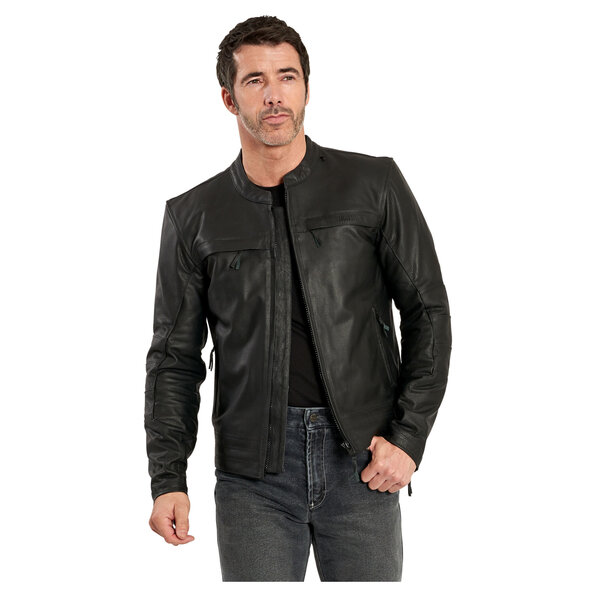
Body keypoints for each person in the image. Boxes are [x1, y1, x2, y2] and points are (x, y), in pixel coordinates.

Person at [145, 15, 452, 582]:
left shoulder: (374, 185)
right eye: (255, 80)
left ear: (306, 87)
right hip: (252, 475)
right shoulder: (194, 216)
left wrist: (408, 438)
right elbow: (174, 359)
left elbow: (428, 313)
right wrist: (168, 479)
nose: (274, 95)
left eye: (287, 77)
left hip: (363, 459)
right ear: (229, 99)